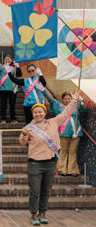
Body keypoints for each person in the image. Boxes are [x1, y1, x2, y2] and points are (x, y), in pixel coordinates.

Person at [19, 90, 80, 226]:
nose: (38, 114)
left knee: (46, 190)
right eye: (35, 112)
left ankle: (42, 213)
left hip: (50, 163)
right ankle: (34, 214)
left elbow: (66, 113)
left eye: (40, 111)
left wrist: (74, 100)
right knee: (35, 191)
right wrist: (23, 135)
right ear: (32, 114)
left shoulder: (53, 122)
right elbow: (23, 142)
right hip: (35, 164)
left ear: (44, 113)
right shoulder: (28, 128)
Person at [43, 89, 86, 176]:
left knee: (73, 151)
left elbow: (84, 110)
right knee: (63, 151)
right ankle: (62, 169)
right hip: (63, 133)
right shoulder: (59, 106)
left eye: (69, 98)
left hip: (76, 133)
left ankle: (72, 170)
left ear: (72, 99)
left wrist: (81, 102)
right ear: (62, 100)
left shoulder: (76, 107)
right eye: (65, 99)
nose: (67, 100)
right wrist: (43, 90)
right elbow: (51, 100)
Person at [0, 55, 22, 123]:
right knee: (3, 105)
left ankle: (13, 119)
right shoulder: (1, 67)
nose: (7, 60)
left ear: (11, 60)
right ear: (3, 60)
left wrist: (18, 67)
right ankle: (3, 118)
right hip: (3, 89)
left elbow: (20, 75)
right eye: (6, 59)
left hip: (13, 89)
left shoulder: (14, 68)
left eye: (9, 59)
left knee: (12, 105)